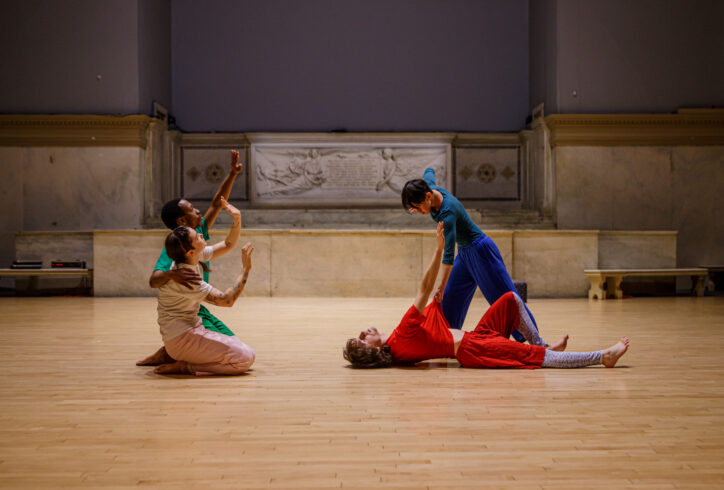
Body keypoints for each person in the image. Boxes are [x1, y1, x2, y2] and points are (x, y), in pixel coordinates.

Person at [343, 223, 629, 370]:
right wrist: (439, 247)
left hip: (475, 337)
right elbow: (423, 289)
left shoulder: (397, 348)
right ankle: (603, 357)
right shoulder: (399, 338)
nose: (363, 331)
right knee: (536, 359)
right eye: (361, 338)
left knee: (509, 299)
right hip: (474, 350)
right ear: (372, 350)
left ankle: (542, 343)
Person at [401, 167, 536, 342]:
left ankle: (535, 340)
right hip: (465, 253)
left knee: (503, 296)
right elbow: (429, 172)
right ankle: (445, 337)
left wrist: (440, 287)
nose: (418, 212)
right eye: (414, 210)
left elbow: (448, 256)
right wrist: (426, 172)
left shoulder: (447, 214)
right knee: (450, 299)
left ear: (428, 197)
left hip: (481, 251)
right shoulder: (429, 188)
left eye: (418, 208)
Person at [137, 150, 243, 366]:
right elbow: (154, 279)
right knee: (233, 350)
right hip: (188, 312)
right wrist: (172, 275)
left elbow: (216, 204)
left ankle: (170, 352)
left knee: (231, 341)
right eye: (193, 209)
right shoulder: (175, 249)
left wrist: (232, 174)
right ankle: (173, 355)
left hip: (196, 306)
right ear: (182, 219)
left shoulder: (197, 231)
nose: (199, 211)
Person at [151, 198, 256, 375]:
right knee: (245, 358)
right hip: (181, 338)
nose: (201, 235)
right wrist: (245, 270)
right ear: (190, 251)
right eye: (196, 236)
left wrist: (237, 218)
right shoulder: (186, 277)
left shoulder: (192, 256)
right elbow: (226, 300)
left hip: (190, 329)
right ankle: (184, 365)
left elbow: (227, 244)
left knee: (239, 348)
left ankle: (177, 357)